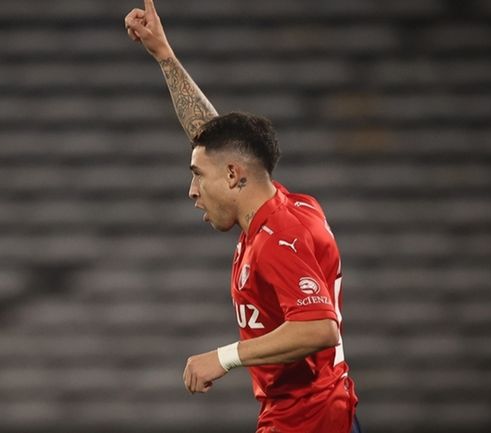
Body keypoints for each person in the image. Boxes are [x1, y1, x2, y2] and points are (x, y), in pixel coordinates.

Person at [124, 2, 361, 433]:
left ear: (233, 176)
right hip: (321, 411)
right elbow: (219, 142)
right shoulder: (287, 206)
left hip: (306, 422)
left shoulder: (278, 238)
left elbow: (320, 328)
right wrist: (165, 57)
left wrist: (223, 357)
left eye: (197, 177)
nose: (191, 190)